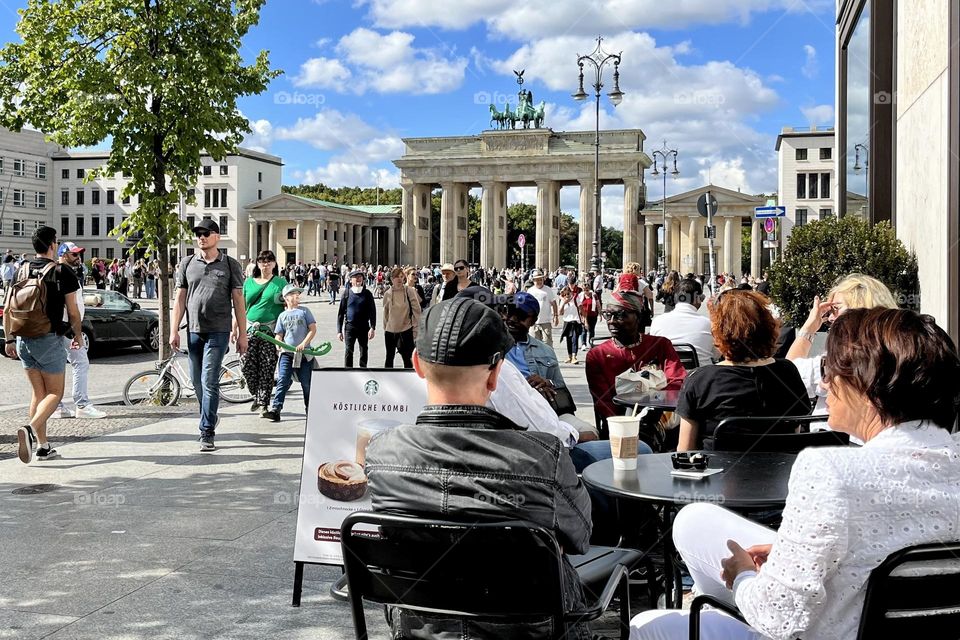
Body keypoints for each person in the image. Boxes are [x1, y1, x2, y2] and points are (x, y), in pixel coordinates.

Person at [631, 307, 960, 640]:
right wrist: (794, 552)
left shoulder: (831, 472)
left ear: (868, 388)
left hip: (820, 630)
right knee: (693, 521)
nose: (825, 381)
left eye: (831, 368)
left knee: (647, 626)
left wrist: (743, 576)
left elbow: (777, 618)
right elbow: (901, 534)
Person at [364, 297, 594, 639]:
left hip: (421, 627)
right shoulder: (543, 455)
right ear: (496, 374)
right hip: (531, 627)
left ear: (416, 364)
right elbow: (582, 535)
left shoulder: (381, 453)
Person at [675, 289, 811, 451]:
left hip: (717, 473)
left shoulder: (700, 380)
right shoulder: (787, 372)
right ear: (768, 328)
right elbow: (793, 432)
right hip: (779, 472)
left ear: (719, 334)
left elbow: (685, 450)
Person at [5, 226, 83, 463]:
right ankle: (30, 430)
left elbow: (8, 306)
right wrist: (77, 336)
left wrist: (8, 338)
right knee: (55, 393)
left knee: (38, 393)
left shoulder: (21, 269)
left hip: (22, 338)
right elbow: (73, 312)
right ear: (52, 244)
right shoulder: (62, 272)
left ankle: (43, 446)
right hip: (48, 338)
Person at [170, 218, 247, 452]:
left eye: (206, 233)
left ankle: (207, 432)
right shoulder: (187, 263)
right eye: (198, 234)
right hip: (194, 330)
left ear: (217, 237)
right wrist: (174, 330)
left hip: (219, 330)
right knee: (196, 381)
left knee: (209, 379)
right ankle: (210, 414)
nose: (201, 237)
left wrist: (242, 333)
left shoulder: (230, 264)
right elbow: (180, 299)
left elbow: (238, 301)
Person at [786, 273, 899, 414]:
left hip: (833, 434)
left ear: (859, 309)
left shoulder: (840, 360)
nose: (830, 318)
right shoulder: (897, 350)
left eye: (836, 309)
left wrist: (809, 328)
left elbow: (787, 376)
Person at [586, 290, 686, 425]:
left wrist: (656, 407)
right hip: (620, 423)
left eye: (620, 315)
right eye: (608, 315)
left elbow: (677, 381)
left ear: (638, 316)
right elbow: (603, 401)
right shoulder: (597, 355)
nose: (612, 321)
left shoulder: (660, 345)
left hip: (660, 417)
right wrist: (628, 422)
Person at [53, 242, 107, 420]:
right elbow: (71, 307)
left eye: (79, 254)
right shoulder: (65, 272)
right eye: (74, 254)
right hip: (67, 328)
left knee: (58, 366)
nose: (78, 257)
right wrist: (77, 334)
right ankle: (81, 404)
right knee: (80, 363)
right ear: (64, 254)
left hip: (61, 328)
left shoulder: (59, 271)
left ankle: (57, 407)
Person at [238, 250, 286, 415]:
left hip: (270, 331)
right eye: (262, 261)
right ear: (257, 264)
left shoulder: (280, 283)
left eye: (269, 261)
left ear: (274, 263)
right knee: (246, 365)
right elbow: (240, 307)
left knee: (267, 366)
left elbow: (288, 306)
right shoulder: (249, 283)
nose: (265, 264)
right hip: (250, 330)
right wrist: (235, 328)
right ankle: (256, 395)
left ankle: (263, 403)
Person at [262, 285, 316, 422]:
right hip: (287, 354)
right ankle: (276, 409)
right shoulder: (282, 316)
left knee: (306, 383)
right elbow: (279, 334)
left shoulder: (305, 311)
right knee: (282, 381)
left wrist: (304, 343)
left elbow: (312, 329)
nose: (296, 296)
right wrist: (277, 343)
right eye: (292, 294)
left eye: (297, 294)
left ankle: (310, 409)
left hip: (304, 354)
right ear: (285, 298)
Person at [648, 278, 718, 367]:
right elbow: (716, 354)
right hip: (701, 376)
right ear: (697, 298)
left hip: (668, 376)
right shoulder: (708, 324)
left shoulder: (657, 321)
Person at [382, 267, 421, 369]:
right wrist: (386, 327)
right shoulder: (387, 294)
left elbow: (417, 311)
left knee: (408, 360)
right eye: (396, 277)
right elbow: (385, 313)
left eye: (401, 277)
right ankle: (388, 381)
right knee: (389, 358)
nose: (399, 279)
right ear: (391, 279)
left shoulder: (409, 291)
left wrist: (416, 328)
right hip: (390, 332)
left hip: (405, 330)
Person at [336, 270, 376, 368]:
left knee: (364, 350)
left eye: (360, 277)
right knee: (349, 350)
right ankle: (348, 371)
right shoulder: (346, 293)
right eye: (356, 277)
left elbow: (372, 312)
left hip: (363, 327)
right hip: (350, 327)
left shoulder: (367, 294)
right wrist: (339, 331)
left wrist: (372, 327)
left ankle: (363, 369)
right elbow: (340, 313)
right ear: (350, 280)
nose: (358, 279)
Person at [526, 269, 558, 346]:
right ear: (533, 281)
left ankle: (548, 357)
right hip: (534, 322)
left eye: (541, 279)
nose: (539, 282)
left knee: (548, 343)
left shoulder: (548, 290)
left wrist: (556, 316)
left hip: (546, 321)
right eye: (537, 280)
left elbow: (554, 303)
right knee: (534, 344)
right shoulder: (530, 291)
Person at [557, 285, 583, 364]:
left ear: (571, 293)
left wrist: (583, 318)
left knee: (574, 339)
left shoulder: (575, 298)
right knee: (568, 339)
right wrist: (564, 303)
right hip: (567, 322)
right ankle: (569, 356)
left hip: (575, 321)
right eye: (564, 294)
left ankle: (574, 357)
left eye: (568, 293)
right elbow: (560, 313)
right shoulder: (563, 301)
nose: (567, 295)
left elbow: (581, 308)